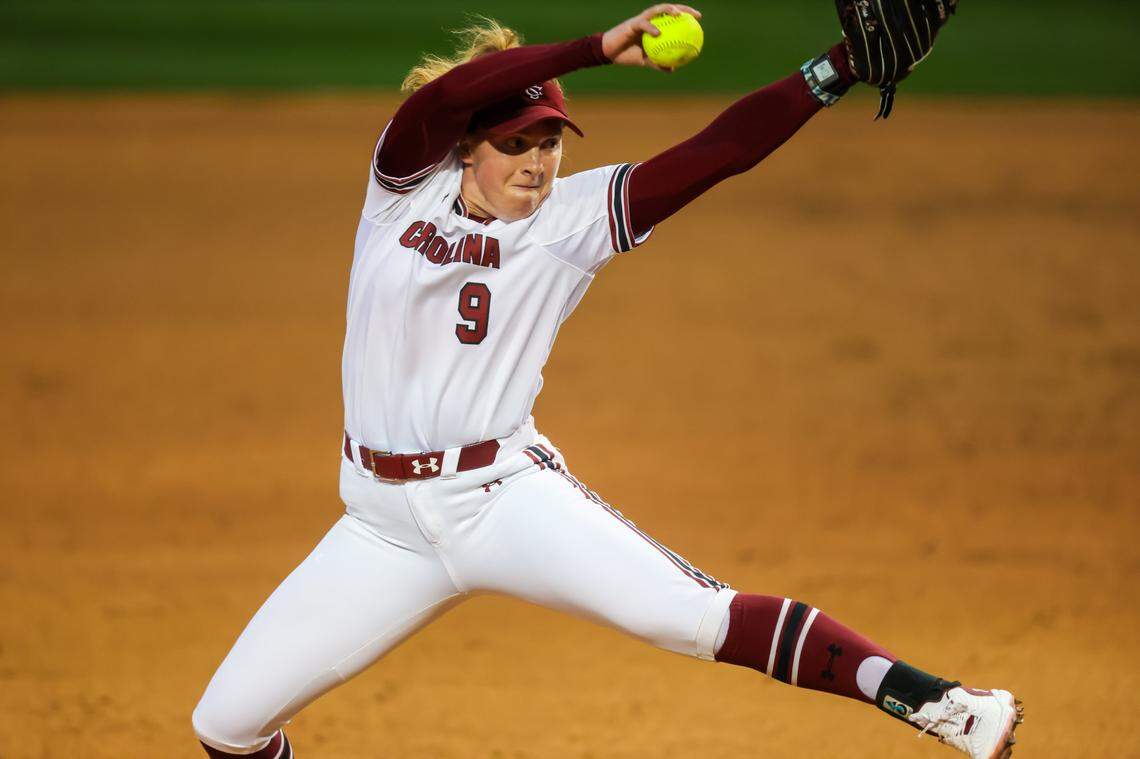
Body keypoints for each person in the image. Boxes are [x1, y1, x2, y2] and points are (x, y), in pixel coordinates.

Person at [192, 6, 1022, 758]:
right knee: (226, 724)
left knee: (695, 616)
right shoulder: (400, 191)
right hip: (379, 527)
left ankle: (948, 706)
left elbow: (718, 152)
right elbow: (444, 97)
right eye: (515, 143)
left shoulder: (573, 220)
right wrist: (595, 48)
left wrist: (832, 68)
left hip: (500, 499)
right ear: (466, 147)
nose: (536, 163)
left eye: (549, 142)